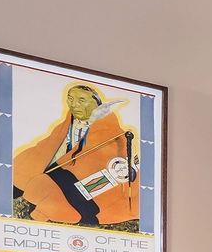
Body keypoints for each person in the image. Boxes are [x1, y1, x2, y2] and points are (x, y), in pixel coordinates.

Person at [9, 82, 139, 227]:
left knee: (49, 190)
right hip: (60, 162)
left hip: (80, 174)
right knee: (25, 166)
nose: (74, 104)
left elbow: (107, 158)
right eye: (70, 99)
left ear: (96, 103)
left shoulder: (110, 131)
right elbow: (52, 143)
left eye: (81, 100)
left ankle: (57, 210)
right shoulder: (69, 120)